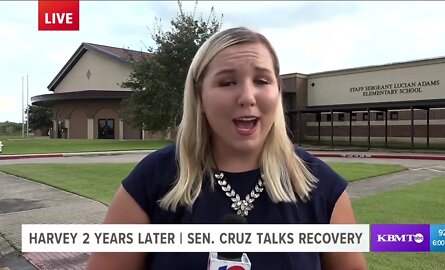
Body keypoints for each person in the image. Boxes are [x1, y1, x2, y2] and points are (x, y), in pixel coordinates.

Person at [86, 26, 367, 270]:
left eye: (261, 80)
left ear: (277, 93)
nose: (247, 96)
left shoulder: (321, 186)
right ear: (200, 96)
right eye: (227, 82)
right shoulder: (153, 180)